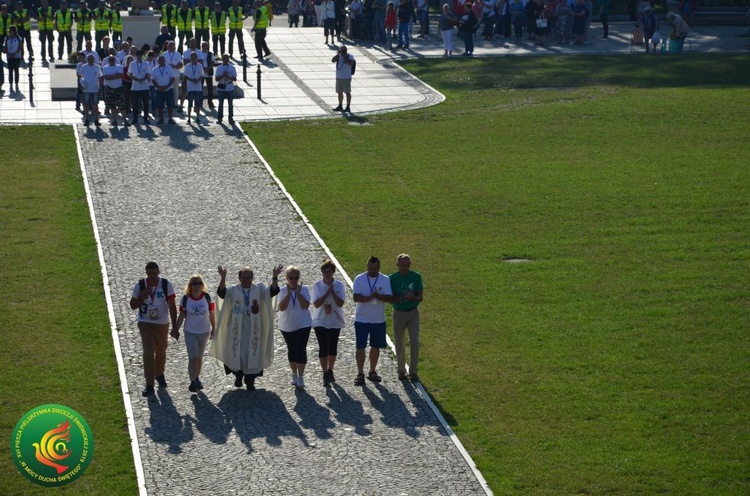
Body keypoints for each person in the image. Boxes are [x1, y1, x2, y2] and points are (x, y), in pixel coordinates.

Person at [211, 264, 283, 390]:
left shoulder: (258, 290)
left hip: (253, 328)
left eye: (248, 277)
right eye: (243, 277)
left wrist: (275, 277)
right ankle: (238, 376)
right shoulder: (234, 290)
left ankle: (250, 381)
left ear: (252, 278)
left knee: (252, 352)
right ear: (239, 278)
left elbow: (272, 291)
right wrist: (223, 278)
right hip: (237, 328)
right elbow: (222, 293)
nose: (246, 280)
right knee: (237, 353)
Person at [129, 262, 178, 397]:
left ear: (158, 272)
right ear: (146, 273)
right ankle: (149, 384)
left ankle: (159, 373)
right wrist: (141, 297)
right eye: (149, 274)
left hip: (161, 323)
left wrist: (175, 326)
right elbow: (132, 305)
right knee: (148, 352)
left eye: (154, 273)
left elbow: (172, 306)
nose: (152, 276)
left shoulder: (165, 285)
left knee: (161, 350)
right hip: (145, 323)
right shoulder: (140, 286)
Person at [352, 256, 393, 386]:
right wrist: (370, 297)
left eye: (375, 268)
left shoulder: (385, 279)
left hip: (378, 319)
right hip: (362, 319)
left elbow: (388, 297)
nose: (372, 270)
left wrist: (377, 296)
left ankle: (372, 370)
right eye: (370, 268)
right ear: (367, 266)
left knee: (375, 346)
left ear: (379, 268)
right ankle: (360, 372)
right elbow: (356, 297)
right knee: (360, 346)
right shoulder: (359, 279)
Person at [173, 274, 216, 393]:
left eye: (199, 283)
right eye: (194, 283)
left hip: (204, 331)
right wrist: (176, 328)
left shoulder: (207, 297)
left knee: (199, 358)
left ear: (202, 285)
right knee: (193, 357)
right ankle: (193, 381)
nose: (197, 286)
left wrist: (214, 328)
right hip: (190, 331)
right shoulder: (185, 298)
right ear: (190, 286)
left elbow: (212, 313)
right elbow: (181, 315)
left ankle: (197, 378)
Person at [311, 259, 346, 387]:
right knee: (323, 345)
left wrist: (333, 293)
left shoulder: (340, 285)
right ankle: (325, 372)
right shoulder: (317, 285)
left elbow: (341, 303)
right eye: (324, 271)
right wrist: (327, 293)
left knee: (333, 346)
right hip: (320, 319)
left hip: (335, 319)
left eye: (328, 271)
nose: (326, 274)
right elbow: (316, 304)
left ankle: (330, 369)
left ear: (333, 272)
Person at [389, 254, 423, 381]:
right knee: (399, 341)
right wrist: (402, 298)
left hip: (413, 312)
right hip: (398, 312)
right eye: (402, 265)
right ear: (397, 265)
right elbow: (389, 298)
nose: (405, 268)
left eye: (407, 265)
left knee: (414, 341)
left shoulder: (416, 277)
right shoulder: (392, 278)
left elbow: (420, 297)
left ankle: (413, 371)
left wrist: (413, 298)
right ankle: (401, 370)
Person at [277, 266, 312, 389]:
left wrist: (297, 293)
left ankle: (301, 377)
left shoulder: (304, 289)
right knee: (291, 350)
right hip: (287, 325)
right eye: (291, 278)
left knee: (301, 349)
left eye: (296, 278)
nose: (293, 280)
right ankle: (294, 374)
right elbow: (281, 307)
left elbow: (305, 306)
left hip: (303, 324)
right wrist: (289, 294)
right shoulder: (281, 291)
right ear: (286, 278)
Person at [102, 54, 129, 126]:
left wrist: (111, 76)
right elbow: (106, 77)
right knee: (112, 105)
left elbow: (120, 75)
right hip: (109, 88)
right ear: (108, 61)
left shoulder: (119, 66)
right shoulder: (105, 67)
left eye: (113, 59)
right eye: (110, 59)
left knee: (122, 105)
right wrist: (115, 75)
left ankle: (125, 120)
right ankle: (114, 120)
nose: (112, 61)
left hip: (119, 88)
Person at [151, 53, 177, 124]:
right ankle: (161, 119)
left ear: (165, 60)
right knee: (160, 105)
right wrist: (158, 87)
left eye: (163, 60)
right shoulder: (154, 69)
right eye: (160, 60)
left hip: (169, 89)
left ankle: (170, 119)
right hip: (159, 90)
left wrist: (167, 86)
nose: (161, 61)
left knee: (170, 105)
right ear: (158, 61)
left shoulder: (169, 68)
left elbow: (172, 78)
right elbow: (153, 80)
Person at [128, 49, 151, 124]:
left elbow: (148, 74)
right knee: (135, 104)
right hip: (135, 86)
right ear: (136, 56)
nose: (139, 57)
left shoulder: (146, 64)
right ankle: (135, 118)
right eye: (138, 55)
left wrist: (143, 79)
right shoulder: (132, 64)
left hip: (144, 86)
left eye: (141, 55)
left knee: (146, 103)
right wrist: (137, 79)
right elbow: (130, 75)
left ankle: (145, 118)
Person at [79, 53, 102, 126]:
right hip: (86, 89)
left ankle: (96, 119)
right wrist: (80, 86)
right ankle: (86, 119)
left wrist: (100, 87)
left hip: (95, 89)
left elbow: (100, 77)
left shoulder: (97, 67)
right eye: (89, 59)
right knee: (86, 105)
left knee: (95, 105)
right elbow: (79, 77)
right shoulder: (83, 67)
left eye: (92, 59)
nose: (91, 60)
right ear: (87, 59)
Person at [215, 53, 237, 124]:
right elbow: (216, 79)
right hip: (221, 87)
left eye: (226, 59)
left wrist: (228, 77)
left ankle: (230, 118)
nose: (225, 60)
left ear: (228, 59)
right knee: (220, 103)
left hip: (229, 87)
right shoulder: (219, 68)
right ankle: (219, 118)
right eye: (224, 59)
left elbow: (234, 79)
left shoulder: (232, 68)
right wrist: (222, 75)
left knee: (230, 103)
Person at [331, 44, 354, 112]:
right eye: (342, 50)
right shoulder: (339, 56)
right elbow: (332, 60)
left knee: (347, 92)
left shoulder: (350, 56)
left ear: (346, 50)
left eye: (344, 50)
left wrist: (344, 57)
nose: (343, 52)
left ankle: (348, 106)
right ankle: (340, 105)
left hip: (346, 77)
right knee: (339, 92)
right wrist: (338, 54)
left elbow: (350, 63)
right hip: (339, 77)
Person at [184, 51, 204, 124]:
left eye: (194, 57)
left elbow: (202, 75)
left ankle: (198, 117)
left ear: (196, 58)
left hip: (198, 87)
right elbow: (185, 76)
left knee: (198, 103)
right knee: (190, 103)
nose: (193, 59)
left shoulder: (199, 65)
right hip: (190, 87)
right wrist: (192, 79)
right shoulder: (188, 66)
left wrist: (198, 79)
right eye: (192, 57)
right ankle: (189, 118)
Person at [4, 26, 22, 93]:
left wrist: (15, 53)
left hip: (16, 57)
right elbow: (5, 47)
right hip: (9, 57)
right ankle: (11, 85)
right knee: (10, 71)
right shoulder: (7, 38)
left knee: (16, 71)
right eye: (9, 31)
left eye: (11, 31)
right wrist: (8, 53)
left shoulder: (18, 38)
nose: (10, 32)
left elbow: (20, 47)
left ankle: (16, 84)